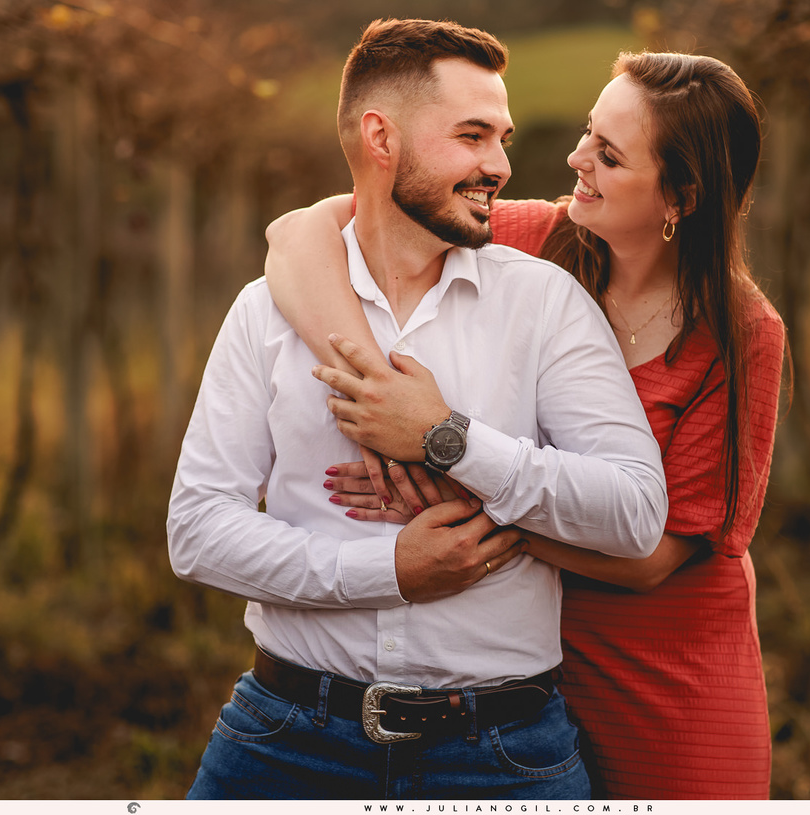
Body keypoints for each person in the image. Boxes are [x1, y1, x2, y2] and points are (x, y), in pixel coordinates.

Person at [167, 18, 669, 800]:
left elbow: (635, 512)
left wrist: (451, 441)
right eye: (472, 136)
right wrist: (387, 571)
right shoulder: (265, 312)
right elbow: (197, 530)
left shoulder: (543, 303)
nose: (499, 165)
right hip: (286, 740)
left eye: (501, 138)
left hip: (501, 752)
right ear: (381, 137)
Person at [265, 50, 786, 799]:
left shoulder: (743, 334)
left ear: (681, 195)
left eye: (608, 155)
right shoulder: (528, 243)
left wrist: (443, 473)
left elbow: (655, 556)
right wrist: (378, 390)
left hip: (668, 671)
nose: (575, 158)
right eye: (587, 133)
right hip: (522, 661)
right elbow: (298, 234)